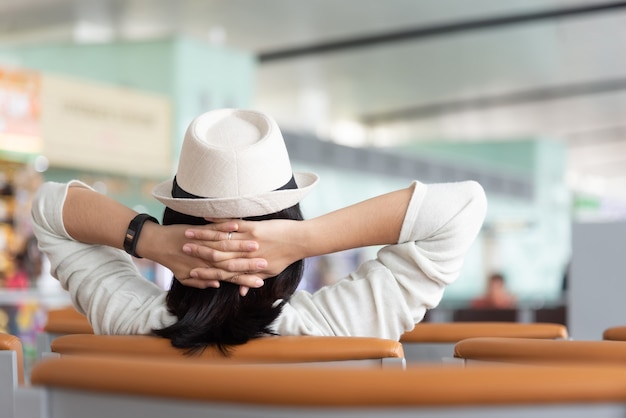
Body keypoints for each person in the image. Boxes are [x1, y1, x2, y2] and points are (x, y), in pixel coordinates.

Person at [31, 108, 487, 354]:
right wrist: (305, 241)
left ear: (176, 223)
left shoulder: (127, 323)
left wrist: (149, 241)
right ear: (290, 225)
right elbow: (462, 207)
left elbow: (49, 206)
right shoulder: (342, 329)